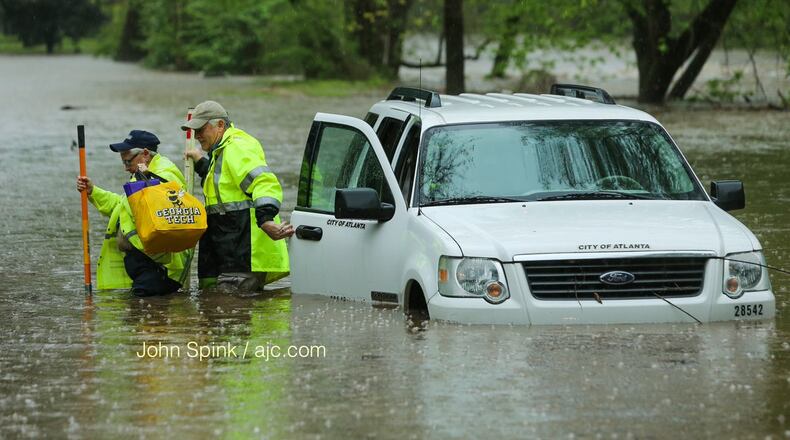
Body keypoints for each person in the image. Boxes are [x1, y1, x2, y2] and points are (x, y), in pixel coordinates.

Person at [182, 100, 293, 292]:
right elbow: (224, 182)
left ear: (220, 125)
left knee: (232, 311)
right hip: (226, 247)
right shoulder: (221, 150)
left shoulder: (237, 147)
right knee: (222, 312)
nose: (198, 135)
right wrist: (200, 161)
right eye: (195, 131)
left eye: (201, 129)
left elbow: (264, 182)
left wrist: (266, 219)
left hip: (242, 250)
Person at [76, 130, 191, 296]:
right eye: (123, 163)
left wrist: (146, 176)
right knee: (139, 315)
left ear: (145, 154)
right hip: (146, 264)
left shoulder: (164, 175)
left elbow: (163, 205)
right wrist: (92, 191)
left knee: (143, 314)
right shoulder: (141, 175)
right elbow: (121, 207)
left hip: (160, 267)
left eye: (128, 162)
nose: (125, 168)